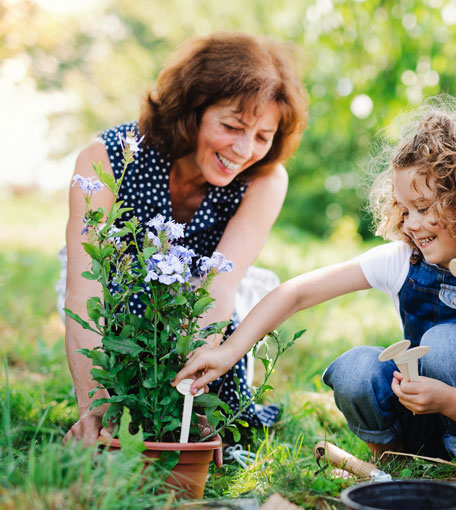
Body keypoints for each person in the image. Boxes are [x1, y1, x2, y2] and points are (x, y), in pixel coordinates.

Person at [173, 104, 456, 471]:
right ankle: (390, 458)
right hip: (415, 411)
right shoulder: (404, 260)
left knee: (448, 344)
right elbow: (297, 293)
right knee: (356, 368)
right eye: (405, 210)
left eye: (423, 207)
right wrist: (229, 350)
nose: (412, 224)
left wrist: (448, 400)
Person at [62, 32, 308, 446]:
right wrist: (95, 405)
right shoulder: (103, 158)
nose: (245, 149)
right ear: (193, 112)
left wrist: (186, 385)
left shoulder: (265, 179)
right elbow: (84, 285)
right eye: (231, 126)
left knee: (222, 415)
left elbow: (220, 285)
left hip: (198, 311)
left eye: (263, 136)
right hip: (117, 302)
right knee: (119, 396)